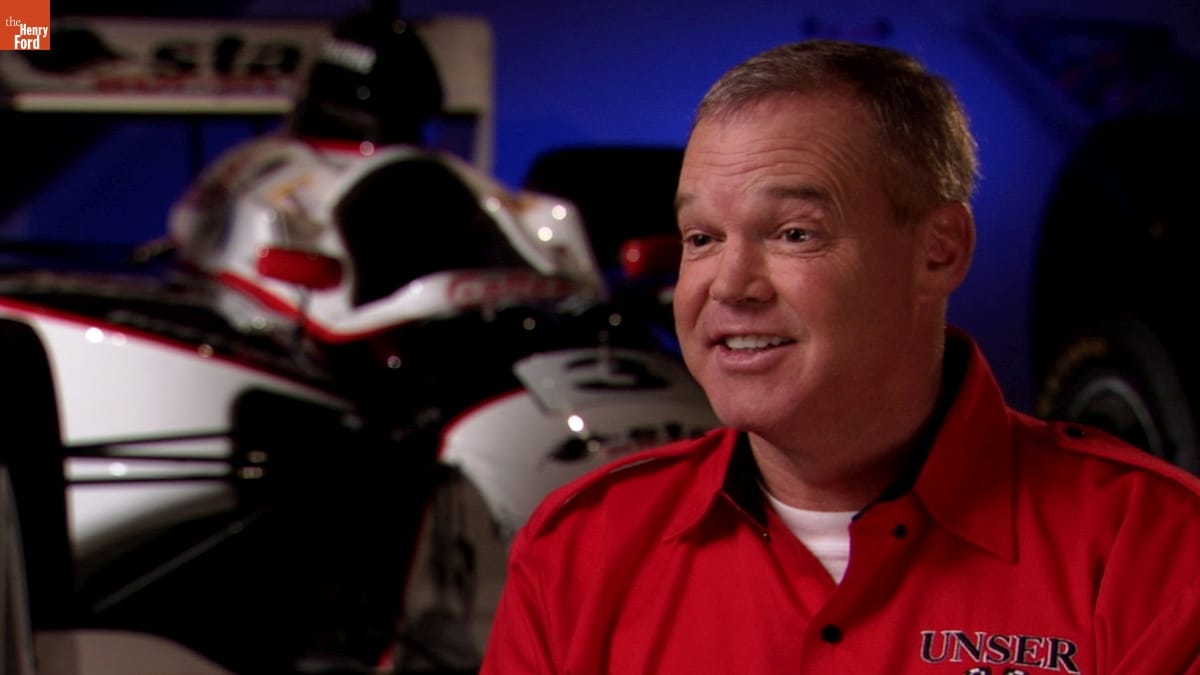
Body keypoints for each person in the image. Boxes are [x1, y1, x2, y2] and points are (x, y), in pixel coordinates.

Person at [479, 39, 1200, 673]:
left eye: (794, 233)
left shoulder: (1158, 551)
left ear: (939, 250)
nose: (728, 285)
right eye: (702, 238)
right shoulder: (578, 549)